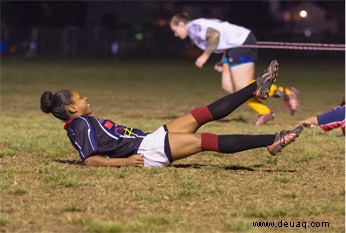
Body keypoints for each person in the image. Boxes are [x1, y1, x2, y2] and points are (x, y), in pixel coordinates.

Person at [40, 60, 303, 167]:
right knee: (206, 141)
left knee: (200, 114)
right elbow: (89, 160)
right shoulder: (78, 126)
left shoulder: (84, 120)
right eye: (81, 98)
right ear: (72, 109)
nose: (86, 98)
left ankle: (254, 88)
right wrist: (124, 163)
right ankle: (271, 139)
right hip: (147, 152)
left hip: (148, 140)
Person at [170, 12, 299, 126]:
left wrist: (204, 56)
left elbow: (214, 35)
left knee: (242, 87)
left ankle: (286, 94)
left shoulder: (193, 27)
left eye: (175, 30)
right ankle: (266, 112)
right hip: (232, 47)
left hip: (242, 42)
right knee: (229, 87)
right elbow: (223, 37)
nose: (176, 34)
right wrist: (222, 60)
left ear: (181, 24)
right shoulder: (195, 27)